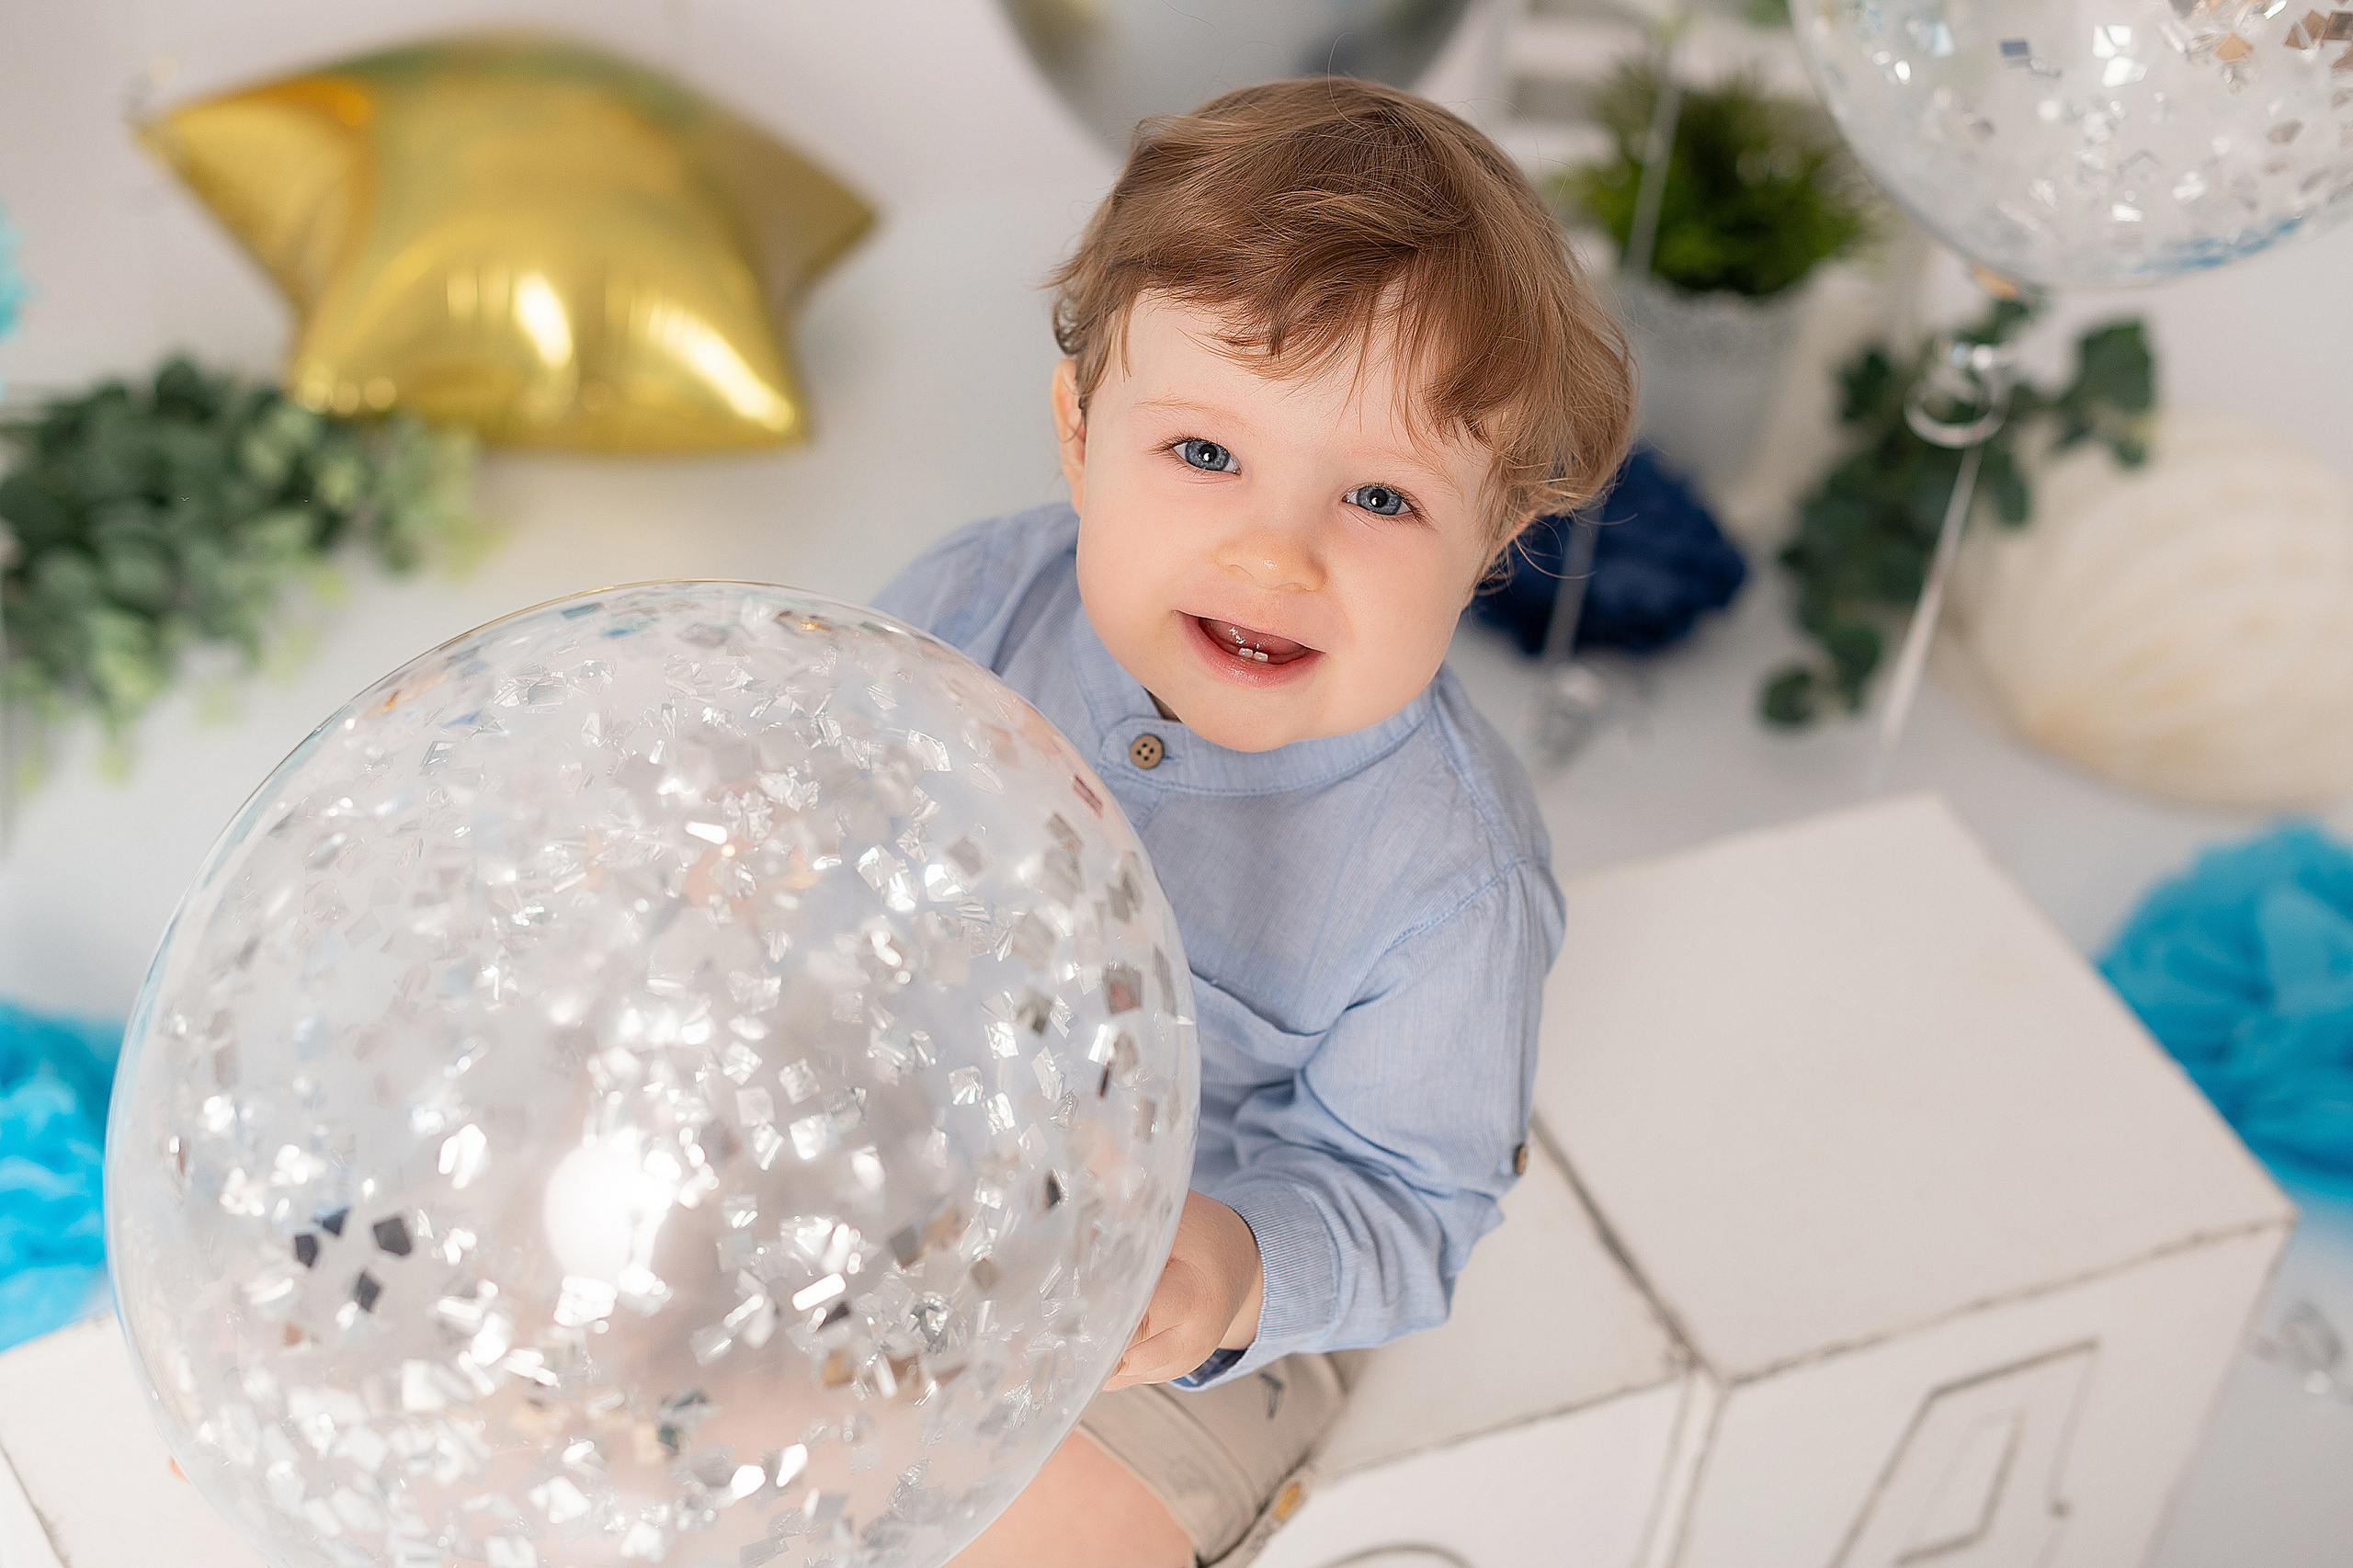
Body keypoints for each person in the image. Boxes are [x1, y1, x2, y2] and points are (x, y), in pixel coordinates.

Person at [870, 75, 1632, 1568]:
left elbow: (1407, 1197)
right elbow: (832, 788)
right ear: (1081, 438)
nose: (1273, 552)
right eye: (1206, 454)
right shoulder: (977, 603)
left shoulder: (1451, 879)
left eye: (1381, 498)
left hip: (1186, 1276)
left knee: (1054, 1533)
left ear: (1496, 540)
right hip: (894, 1138)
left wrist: (1233, 1268)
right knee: (636, 1314)